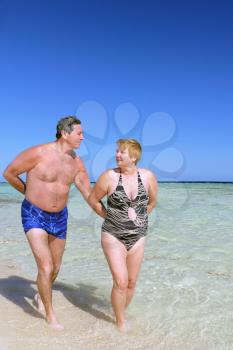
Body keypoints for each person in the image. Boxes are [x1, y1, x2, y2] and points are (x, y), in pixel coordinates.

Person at [3, 116, 91, 329]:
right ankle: (50, 315)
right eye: (79, 133)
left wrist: (110, 215)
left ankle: (40, 296)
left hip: (60, 217)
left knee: (55, 267)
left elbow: (89, 194)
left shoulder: (77, 163)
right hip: (34, 213)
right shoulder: (38, 153)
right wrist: (28, 192)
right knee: (45, 265)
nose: (83, 137)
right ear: (65, 133)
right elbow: (9, 173)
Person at [88, 139, 157, 331]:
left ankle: (119, 312)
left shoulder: (148, 177)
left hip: (139, 236)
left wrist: (139, 220)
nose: (117, 155)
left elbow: (152, 202)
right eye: (117, 151)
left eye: (122, 152)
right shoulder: (108, 177)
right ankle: (119, 323)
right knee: (120, 281)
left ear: (134, 156)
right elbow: (93, 200)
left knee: (131, 282)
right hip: (113, 235)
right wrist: (109, 217)